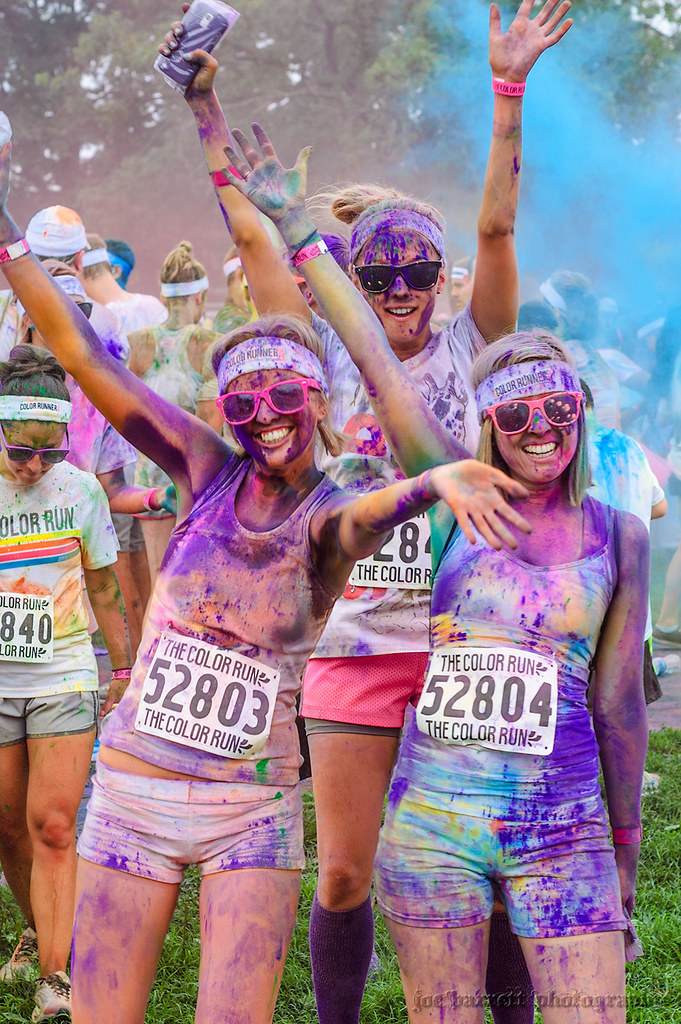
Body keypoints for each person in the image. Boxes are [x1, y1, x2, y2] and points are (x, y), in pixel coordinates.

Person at [0, 134, 529, 1024]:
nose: (266, 417)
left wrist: (436, 479)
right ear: (224, 411)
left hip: (252, 804)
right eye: (244, 401)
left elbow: (384, 485)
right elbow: (86, 355)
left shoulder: (332, 510)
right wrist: (10, 236)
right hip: (133, 789)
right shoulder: (202, 465)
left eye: (288, 396)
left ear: (321, 400)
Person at [165, 1, 572, 1019]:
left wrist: (509, 89)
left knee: (481, 861)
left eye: (418, 271)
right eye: (380, 273)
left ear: (444, 277)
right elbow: (251, 232)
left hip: (463, 635)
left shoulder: (474, 339)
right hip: (351, 639)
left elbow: (496, 224)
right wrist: (206, 108)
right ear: (355, 275)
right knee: (344, 873)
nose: (399, 288)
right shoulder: (326, 348)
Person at [0, 345, 130, 1023]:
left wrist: (126, 669)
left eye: (49, 454)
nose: (33, 467)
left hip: (65, 672)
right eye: (21, 450)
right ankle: (36, 922)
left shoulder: (79, 491)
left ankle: (57, 977)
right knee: (8, 827)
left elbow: (105, 583)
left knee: (52, 825)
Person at [127, 240, 219, 582]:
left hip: (149, 478)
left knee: (158, 575)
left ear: (165, 297)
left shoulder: (138, 342)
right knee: (192, 577)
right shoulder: (208, 342)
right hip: (196, 481)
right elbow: (213, 424)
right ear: (200, 297)